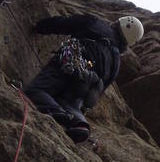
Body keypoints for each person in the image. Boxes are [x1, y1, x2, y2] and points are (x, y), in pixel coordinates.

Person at [25, 14, 144, 142]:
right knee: (69, 103)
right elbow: (102, 87)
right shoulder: (116, 62)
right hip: (85, 87)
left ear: (118, 23)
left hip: (69, 65)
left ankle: (58, 114)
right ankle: (80, 124)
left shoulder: (97, 24)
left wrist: (40, 26)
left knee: (36, 91)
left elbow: (65, 23)